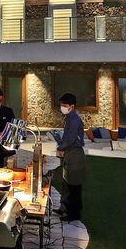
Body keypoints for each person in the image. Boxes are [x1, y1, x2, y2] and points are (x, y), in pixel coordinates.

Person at [54, 92, 86, 223]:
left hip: (75, 154)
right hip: (70, 153)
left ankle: (74, 213)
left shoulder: (74, 119)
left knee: (73, 185)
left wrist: (60, 147)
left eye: (64, 105)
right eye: (61, 105)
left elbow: (71, 138)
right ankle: (64, 208)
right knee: (66, 183)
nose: (62, 107)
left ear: (72, 106)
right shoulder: (69, 117)